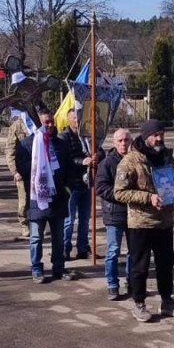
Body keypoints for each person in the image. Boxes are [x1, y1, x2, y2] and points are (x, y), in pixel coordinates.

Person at [114, 118, 174, 323]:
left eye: (161, 134)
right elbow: (119, 193)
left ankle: (167, 301)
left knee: (166, 263)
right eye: (155, 135)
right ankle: (139, 303)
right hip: (141, 223)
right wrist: (148, 197)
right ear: (145, 137)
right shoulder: (130, 161)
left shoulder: (167, 157)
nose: (159, 138)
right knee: (140, 266)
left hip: (164, 222)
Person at [15, 110, 74, 284]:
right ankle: (36, 269)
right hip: (37, 200)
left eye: (51, 122)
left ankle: (58, 268)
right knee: (36, 237)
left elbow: (70, 169)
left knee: (58, 238)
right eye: (45, 123)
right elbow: (22, 168)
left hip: (58, 198)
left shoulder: (60, 144)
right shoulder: (27, 145)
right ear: (38, 124)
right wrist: (39, 163)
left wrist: (68, 189)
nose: (49, 126)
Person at [95, 128, 132, 300]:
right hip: (114, 214)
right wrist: (122, 196)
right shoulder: (108, 163)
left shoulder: (135, 160)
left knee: (135, 251)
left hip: (134, 214)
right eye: (120, 141)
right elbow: (101, 188)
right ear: (114, 143)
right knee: (113, 250)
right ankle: (112, 284)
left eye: (126, 140)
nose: (123, 143)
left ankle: (133, 283)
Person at [62, 107, 102, 261]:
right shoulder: (64, 137)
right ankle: (65, 249)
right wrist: (82, 161)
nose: (77, 121)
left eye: (79, 118)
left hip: (87, 183)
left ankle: (83, 249)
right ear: (68, 120)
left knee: (85, 219)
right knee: (69, 220)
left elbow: (99, 150)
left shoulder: (87, 135)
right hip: (71, 185)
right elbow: (65, 159)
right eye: (74, 118)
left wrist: (97, 156)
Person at [5, 73, 38, 239]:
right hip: (23, 170)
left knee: (40, 198)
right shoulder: (17, 126)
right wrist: (14, 171)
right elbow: (10, 150)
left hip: (39, 168)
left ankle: (37, 223)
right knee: (24, 200)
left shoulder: (37, 121)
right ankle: (24, 224)